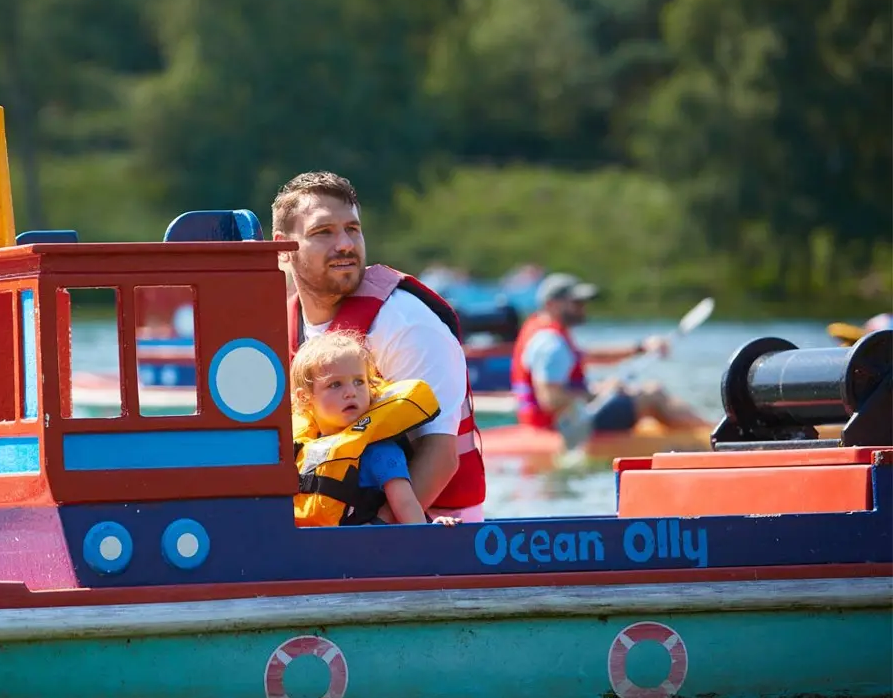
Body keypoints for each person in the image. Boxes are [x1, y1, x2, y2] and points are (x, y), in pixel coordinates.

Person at [272, 171, 485, 523]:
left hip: (430, 528)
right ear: (284, 248)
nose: (345, 244)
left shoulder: (406, 323)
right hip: (332, 531)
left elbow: (440, 455)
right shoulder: (287, 325)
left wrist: (368, 537)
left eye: (352, 229)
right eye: (323, 232)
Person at [290, 330, 460, 527]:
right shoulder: (298, 452)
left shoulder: (379, 451)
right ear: (304, 398)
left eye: (359, 381)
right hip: (310, 548)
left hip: (366, 548)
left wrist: (424, 531)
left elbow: (405, 504)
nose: (351, 392)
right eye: (335, 384)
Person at [511, 272, 705, 438]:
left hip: (548, 422)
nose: (582, 308)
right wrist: (599, 393)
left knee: (643, 391)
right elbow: (550, 400)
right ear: (552, 304)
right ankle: (712, 436)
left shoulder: (542, 331)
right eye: (576, 302)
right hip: (562, 427)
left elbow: (592, 356)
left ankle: (701, 430)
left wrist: (641, 348)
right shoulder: (551, 343)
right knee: (652, 395)